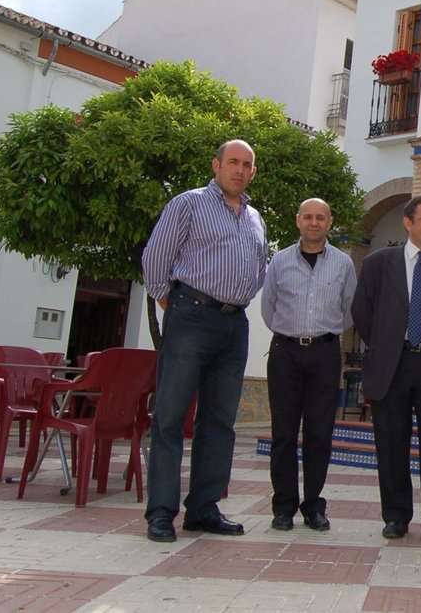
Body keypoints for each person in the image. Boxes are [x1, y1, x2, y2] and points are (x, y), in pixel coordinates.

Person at [141, 139, 268, 543]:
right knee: (170, 417)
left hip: (235, 323)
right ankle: (162, 513)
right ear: (216, 165)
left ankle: (203, 508)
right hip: (191, 315)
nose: (240, 170)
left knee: (220, 421)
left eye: (247, 165)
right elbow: (155, 259)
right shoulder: (189, 203)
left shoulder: (255, 218)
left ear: (253, 172)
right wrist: (175, 303)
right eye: (233, 162)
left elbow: (258, 269)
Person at [350, 195, 421, 544]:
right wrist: (386, 344)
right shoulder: (377, 263)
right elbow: (362, 312)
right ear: (408, 223)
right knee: (390, 443)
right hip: (392, 364)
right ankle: (396, 517)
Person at [261, 198, 356, 532]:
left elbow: (349, 310)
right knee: (283, 434)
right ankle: (283, 507)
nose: (314, 223)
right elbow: (269, 307)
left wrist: (322, 335)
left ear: (329, 222)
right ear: (298, 220)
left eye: (320, 218)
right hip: (285, 353)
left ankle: (314, 506)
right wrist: (291, 333)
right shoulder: (280, 261)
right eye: (308, 217)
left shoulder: (343, 264)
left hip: (325, 354)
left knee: (319, 433)